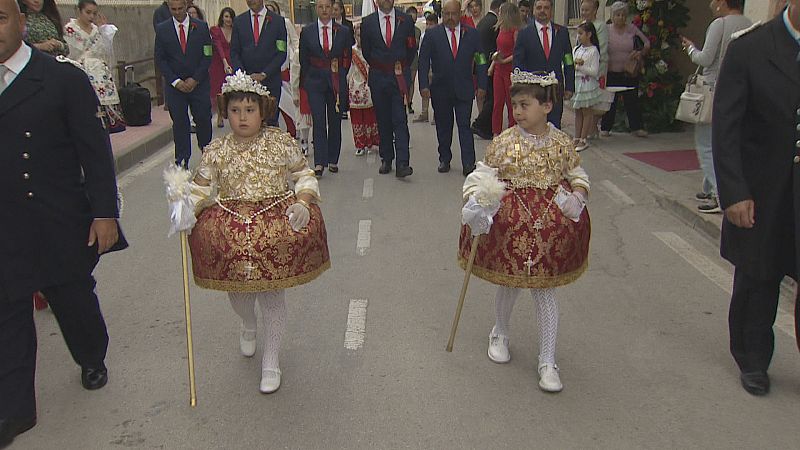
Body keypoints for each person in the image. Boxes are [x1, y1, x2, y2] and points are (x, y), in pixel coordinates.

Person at [0, 0, 125, 444]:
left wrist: (104, 212)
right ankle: (14, 410)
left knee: (72, 300)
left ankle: (92, 356)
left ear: (20, 22)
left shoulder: (62, 78)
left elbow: (94, 152)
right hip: (5, 226)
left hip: (57, 218)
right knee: (8, 314)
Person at [173, 70, 329, 394]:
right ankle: (247, 322)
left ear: (262, 111)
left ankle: (271, 360)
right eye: (234, 110)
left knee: (272, 295)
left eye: (249, 110)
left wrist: (303, 200)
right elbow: (201, 189)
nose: (242, 117)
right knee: (241, 295)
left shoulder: (280, 142)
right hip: (230, 227)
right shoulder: (216, 149)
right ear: (225, 111)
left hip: (273, 228)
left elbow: (304, 175)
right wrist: (185, 206)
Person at [458, 69, 590, 393]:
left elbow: (578, 174)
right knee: (509, 284)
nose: (517, 112)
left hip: (550, 228)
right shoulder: (504, 142)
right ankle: (500, 331)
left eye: (524, 105)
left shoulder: (561, 143)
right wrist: (478, 198)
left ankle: (547, 359)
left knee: (545, 292)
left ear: (547, 106)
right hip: (511, 227)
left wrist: (578, 196)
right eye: (515, 105)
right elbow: (483, 175)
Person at [711, 1, 800, 396]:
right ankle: (752, 359)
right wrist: (734, 191)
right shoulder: (750, 48)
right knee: (758, 279)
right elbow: (726, 127)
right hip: (764, 191)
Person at [680, 0, 751, 214]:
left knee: (706, 144)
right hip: (737, 89)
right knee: (724, 140)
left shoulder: (719, 24)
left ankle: (720, 194)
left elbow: (705, 57)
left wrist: (690, 48)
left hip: (712, 89)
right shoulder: (748, 22)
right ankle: (708, 187)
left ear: (722, 2)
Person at [419, 0, 487, 176]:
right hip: (440, 90)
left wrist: (482, 84)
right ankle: (444, 158)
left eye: (453, 14)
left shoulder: (471, 34)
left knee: (464, 126)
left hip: (464, 88)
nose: (450, 17)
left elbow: (480, 59)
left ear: (460, 14)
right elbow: (423, 62)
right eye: (446, 14)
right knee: (444, 126)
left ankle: (468, 163)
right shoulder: (432, 35)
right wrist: (423, 86)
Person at [360, 0, 418, 178]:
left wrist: (399, 68)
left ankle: (403, 163)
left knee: (400, 119)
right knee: (383, 119)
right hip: (378, 77)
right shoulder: (367, 23)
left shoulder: (405, 20)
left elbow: (411, 49)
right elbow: (366, 52)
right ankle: (386, 158)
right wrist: (381, 66)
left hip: (398, 77)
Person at [154, 0, 213, 168]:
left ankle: (207, 153)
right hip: (176, 87)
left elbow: (207, 55)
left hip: (199, 84)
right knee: (180, 122)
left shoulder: (201, 27)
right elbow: (160, 59)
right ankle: (182, 159)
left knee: (202, 118)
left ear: (186, 6)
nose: (177, 12)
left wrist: (195, 79)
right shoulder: (162, 29)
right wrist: (175, 81)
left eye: (180, 8)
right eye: (173, 9)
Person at [299, 0, 352, 177]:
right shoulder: (307, 32)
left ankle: (333, 159)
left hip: (335, 80)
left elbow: (347, 57)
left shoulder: (343, 31)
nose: (324, 10)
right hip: (315, 81)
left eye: (327, 7)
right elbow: (303, 59)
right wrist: (308, 79)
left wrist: (340, 74)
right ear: (316, 9)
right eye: (321, 7)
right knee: (319, 120)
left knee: (335, 119)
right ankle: (319, 162)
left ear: (333, 9)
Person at [64, 0, 126, 133]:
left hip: (100, 74)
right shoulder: (70, 29)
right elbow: (70, 53)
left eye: (94, 13)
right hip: (81, 72)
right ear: (79, 11)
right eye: (88, 12)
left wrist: (104, 31)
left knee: (104, 123)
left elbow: (105, 52)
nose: (91, 16)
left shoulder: (97, 30)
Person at [513, 0, 574, 129]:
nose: (542, 11)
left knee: (554, 128)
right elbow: (518, 62)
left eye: (546, 8)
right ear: (533, 10)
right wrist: (521, 87)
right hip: (532, 91)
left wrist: (570, 85)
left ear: (551, 11)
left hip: (555, 90)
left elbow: (568, 60)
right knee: (532, 127)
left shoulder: (561, 32)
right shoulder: (524, 33)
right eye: (539, 7)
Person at [230, 0, 288, 126]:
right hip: (246, 84)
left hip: (270, 81)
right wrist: (244, 76)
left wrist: (264, 73)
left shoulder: (277, 22)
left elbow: (281, 52)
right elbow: (234, 52)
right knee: (248, 123)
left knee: (270, 122)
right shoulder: (239, 22)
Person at [600, 1, 649, 137]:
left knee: (632, 100)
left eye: (623, 15)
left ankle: (636, 127)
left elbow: (646, 43)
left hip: (629, 71)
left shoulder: (632, 29)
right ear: (613, 16)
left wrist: (640, 53)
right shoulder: (607, 29)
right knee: (610, 101)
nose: (620, 17)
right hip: (611, 71)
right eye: (617, 15)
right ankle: (605, 128)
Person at [265, 1, 302, 142]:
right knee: (273, 106)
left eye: (272, 10)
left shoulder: (284, 23)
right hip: (268, 69)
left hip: (284, 68)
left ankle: (292, 130)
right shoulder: (262, 27)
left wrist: (294, 58)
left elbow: (295, 41)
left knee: (287, 103)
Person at [470, 0, 502, 139]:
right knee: (492, 98)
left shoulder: (483, 21)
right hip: (490, 64)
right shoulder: (495, 23)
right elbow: (497, 46)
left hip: (480, 64)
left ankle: (485, 125)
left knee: (488, 96)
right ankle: (481, 123)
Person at [348, 23, 381, 156]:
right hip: (355, 86)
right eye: (358, 35)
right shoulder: (351, 51)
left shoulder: (371, 50)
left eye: (362, 35)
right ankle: (360, 143)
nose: (360, 38)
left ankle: (371, 142)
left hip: (368, 86)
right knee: (356, 118)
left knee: (370, 116)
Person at [490, 1, 521, 136]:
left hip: (509, 69)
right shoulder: (501, 28)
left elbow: (517, 53)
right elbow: (498, 49)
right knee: (497, 102)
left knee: (510, 102)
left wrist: (503, 61)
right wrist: (493, 64)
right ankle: (496, 132)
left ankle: (512, 131)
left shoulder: (515, 31)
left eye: (501, 12)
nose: (499, 14)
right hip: (498, 69)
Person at [571, 21, 602, 152]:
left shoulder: (593, 51)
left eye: (581, 33)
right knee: (578, 111)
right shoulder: (576, 49)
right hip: (577, 83)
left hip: (587, 84)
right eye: (578, 33)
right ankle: (577, 137)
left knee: (587, 112)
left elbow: (595, 71)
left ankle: (584, 138)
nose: (578, 36)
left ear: (589, 34)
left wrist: (580, 66)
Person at [579, 0, 607, 138]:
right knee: (583, 102)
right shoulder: (582, 25)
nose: (584, 13)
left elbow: (601, 47)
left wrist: (586, 61)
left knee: (596, 101)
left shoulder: (601, 26)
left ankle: (593, 127)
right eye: (582, 10)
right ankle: (585, 132)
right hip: (581, 70)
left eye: (587, 10)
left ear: (595, 10)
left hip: (597, 67)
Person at [210, 7, 236, 128]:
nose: (228, 19)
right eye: (226, 16)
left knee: (232, 89)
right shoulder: (216, 30)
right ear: (222, 17)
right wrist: (225, 63)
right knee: (219, 90)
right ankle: (220, 114)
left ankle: (231, 114)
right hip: (219, 62)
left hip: (233, 61)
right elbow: (219, 47)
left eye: (230, 17)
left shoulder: (236, 30)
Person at [412, 12, 438, 124]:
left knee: (436, 91)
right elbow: (422, 53)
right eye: (427, 24)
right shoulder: (423, 36)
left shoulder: (439, 36)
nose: (428, 26)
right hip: (426, 66)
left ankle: (437, 115)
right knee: (424, 89)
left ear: (436, 24)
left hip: (436, 67)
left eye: (431, 24)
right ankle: (424, 113)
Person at [405, 5, 421, 115]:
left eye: (415, 19)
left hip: (414, 58)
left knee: (411, 81)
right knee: (404, 82)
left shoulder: (417, 30)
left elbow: (417, 45)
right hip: (404, 58)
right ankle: (404, 101)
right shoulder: (402, 29)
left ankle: (409, 102)